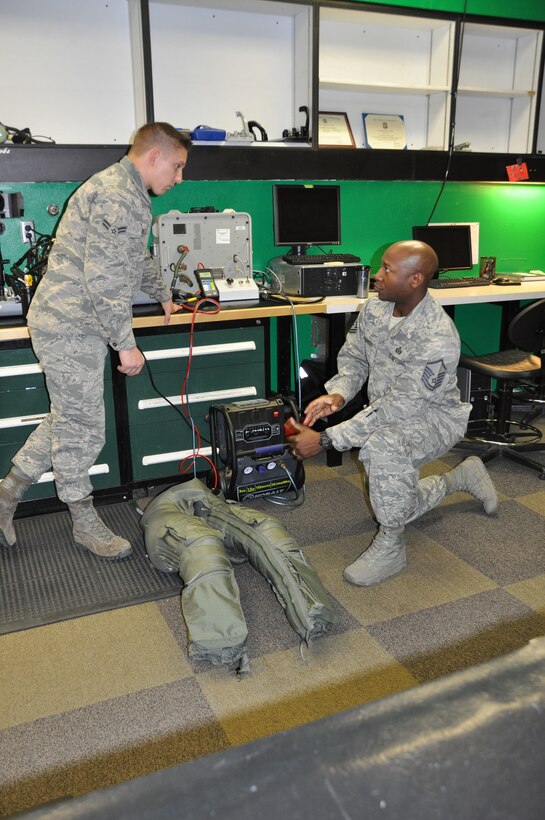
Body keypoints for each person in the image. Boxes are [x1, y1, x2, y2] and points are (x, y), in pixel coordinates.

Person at [0, 122, 191, 560]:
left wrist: (162, 291)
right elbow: (102, 278)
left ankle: (7, 494)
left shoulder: (130, 191)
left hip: (79, 323)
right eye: (177, 167)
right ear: (154, 156)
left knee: (69, 417)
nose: (179, 178)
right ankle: (82, 519)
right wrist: (125, 343)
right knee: (84, 428)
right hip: (70, 323)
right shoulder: (116, 194)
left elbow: (133, 255)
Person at [288, 240, 498, 587]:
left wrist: (325, 440)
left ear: (415, 280)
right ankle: (458, 479)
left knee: (381, 452)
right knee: (392, 491)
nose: (377, 275)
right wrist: (338, 394)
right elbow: (354, 358)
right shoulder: (376, 309)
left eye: (387, 269)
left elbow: (400, 407)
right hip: (387, 413)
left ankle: (391, 545)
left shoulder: (437, 336)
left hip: (435, 419)